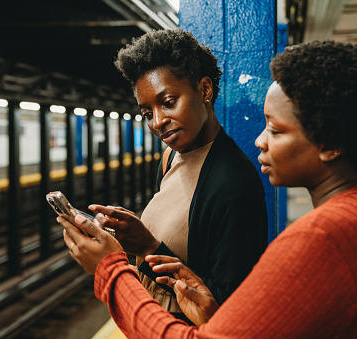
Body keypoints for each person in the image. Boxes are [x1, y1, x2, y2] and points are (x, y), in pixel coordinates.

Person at [59, 40, 357, 337]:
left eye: (276, 130)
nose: (259, 141)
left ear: (331, 143)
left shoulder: (322, 237)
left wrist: (110, 268)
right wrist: (213, 316)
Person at [63, 29, 269, 321]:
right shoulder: (170, 158)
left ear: (205, 90)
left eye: (168, 102)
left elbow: (227, 306)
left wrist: (145, 248)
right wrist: (130, 238)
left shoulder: (233, 182)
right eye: (147, 113)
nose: (158, 122)